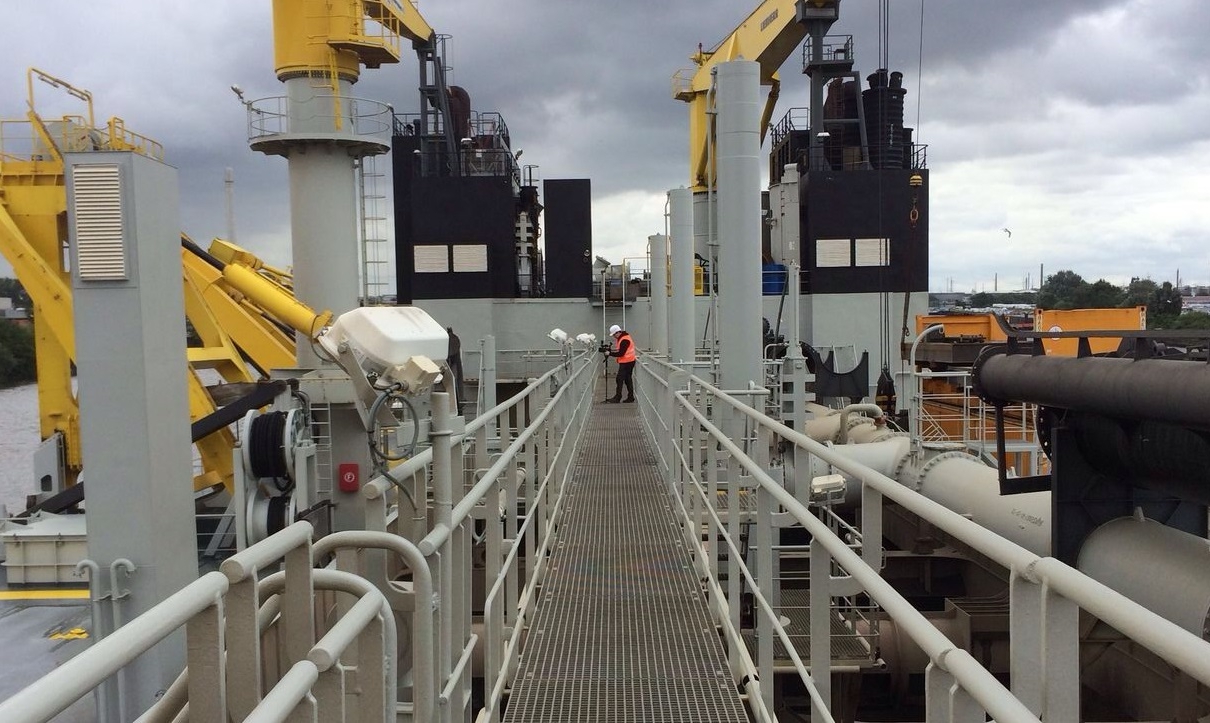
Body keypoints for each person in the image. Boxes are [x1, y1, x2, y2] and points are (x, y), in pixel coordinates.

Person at [604, 324, 636, 403]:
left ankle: (618, 397)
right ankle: (630, 397)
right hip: (629, 361)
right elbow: (621, 351)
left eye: (614, 334)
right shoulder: (624, 338)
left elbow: (621, 353)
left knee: (620, 379)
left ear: (617, 332)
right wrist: (611, 352)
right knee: (627, 379)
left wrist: (609, 353)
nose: (614, 336)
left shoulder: (624, 340)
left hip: (626, 362)